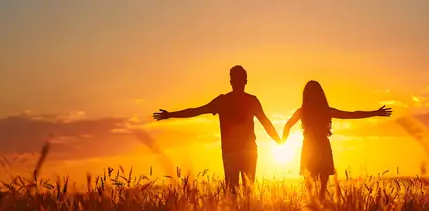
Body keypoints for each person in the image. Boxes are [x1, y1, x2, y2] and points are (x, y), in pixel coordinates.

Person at [153, 65, 282, 193]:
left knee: (232, 192)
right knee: (248, 192)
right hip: (246, 152)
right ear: (246, 81)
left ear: (231, 82)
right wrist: (279, 141)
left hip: (232, 152)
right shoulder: (250, 101)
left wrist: (170, 115)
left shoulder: (223, 101)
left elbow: (196, 111)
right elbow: (266, 123)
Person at [282, 80, 392, 200]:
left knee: (310, 186)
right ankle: (319, 206)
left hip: (309, 148)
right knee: (321, 188)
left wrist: (283, 140)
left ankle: (313, 208)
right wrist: (375, 112)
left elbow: (288, 125)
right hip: (322, 147)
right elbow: (352, 114)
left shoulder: (303, 112)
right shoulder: (325, 110)